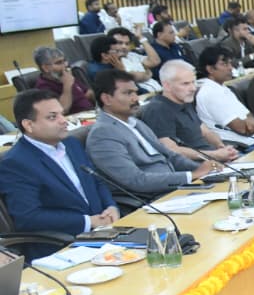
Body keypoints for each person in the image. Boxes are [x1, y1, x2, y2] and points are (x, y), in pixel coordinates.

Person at [0, 89, 118, 255]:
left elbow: (96, 180)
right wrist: (88, 221)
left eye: (62, 114)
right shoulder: (16, 163)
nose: (64, 121)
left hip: (105, 232)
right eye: (52, 117)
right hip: (63, 246)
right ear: (29, 125)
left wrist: (110, 206)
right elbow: (28, 217)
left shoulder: (71, 144)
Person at [86, 69, 215, 204]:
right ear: (106, 99)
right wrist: (191, 175)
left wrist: (205, 169)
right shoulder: (102, 135)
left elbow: (171, 156)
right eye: (128, 93)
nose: (135, 98)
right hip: (150, 201)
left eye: (135, 92)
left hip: (174, 190)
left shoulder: (136, 123)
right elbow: (136, 180)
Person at [138, 60, 239, 162]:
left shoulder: (184, 100)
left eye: (193, 82)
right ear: (167, 86)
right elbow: (171, 150)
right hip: (198, 167)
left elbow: (206, 132)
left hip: (214, 160)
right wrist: (214, 155)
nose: (193, 88)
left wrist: (221, 147)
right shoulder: (157, 110)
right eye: (185, 84)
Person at [193, 47, 254, 149]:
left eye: (230, 63)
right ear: (210, 69)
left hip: (251, 142)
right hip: (238, 148)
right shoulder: (210, 93)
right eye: (224, 64)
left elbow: (248, 114)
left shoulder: (222, 88)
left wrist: (251, 122)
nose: (230, 68)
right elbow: (243, 129)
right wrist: (252, 123)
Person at [31, 46, 94, 115]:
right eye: (59, 63)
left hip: (90, 113)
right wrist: (67, 85)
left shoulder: (63, 76)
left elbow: (87, 93)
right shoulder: (43, 87)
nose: (66, 65)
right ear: (46, 68)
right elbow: (62, 110)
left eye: (64, 61)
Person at [106, 27, 162, 92]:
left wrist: (141, 38)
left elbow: (155, 61)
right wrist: (146, 74)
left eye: (127, 44)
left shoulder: (132, 55)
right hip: (142, 94)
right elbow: (129, 76)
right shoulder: (110, 59)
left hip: (158, 90)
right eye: (119, 43)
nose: (124, 47)